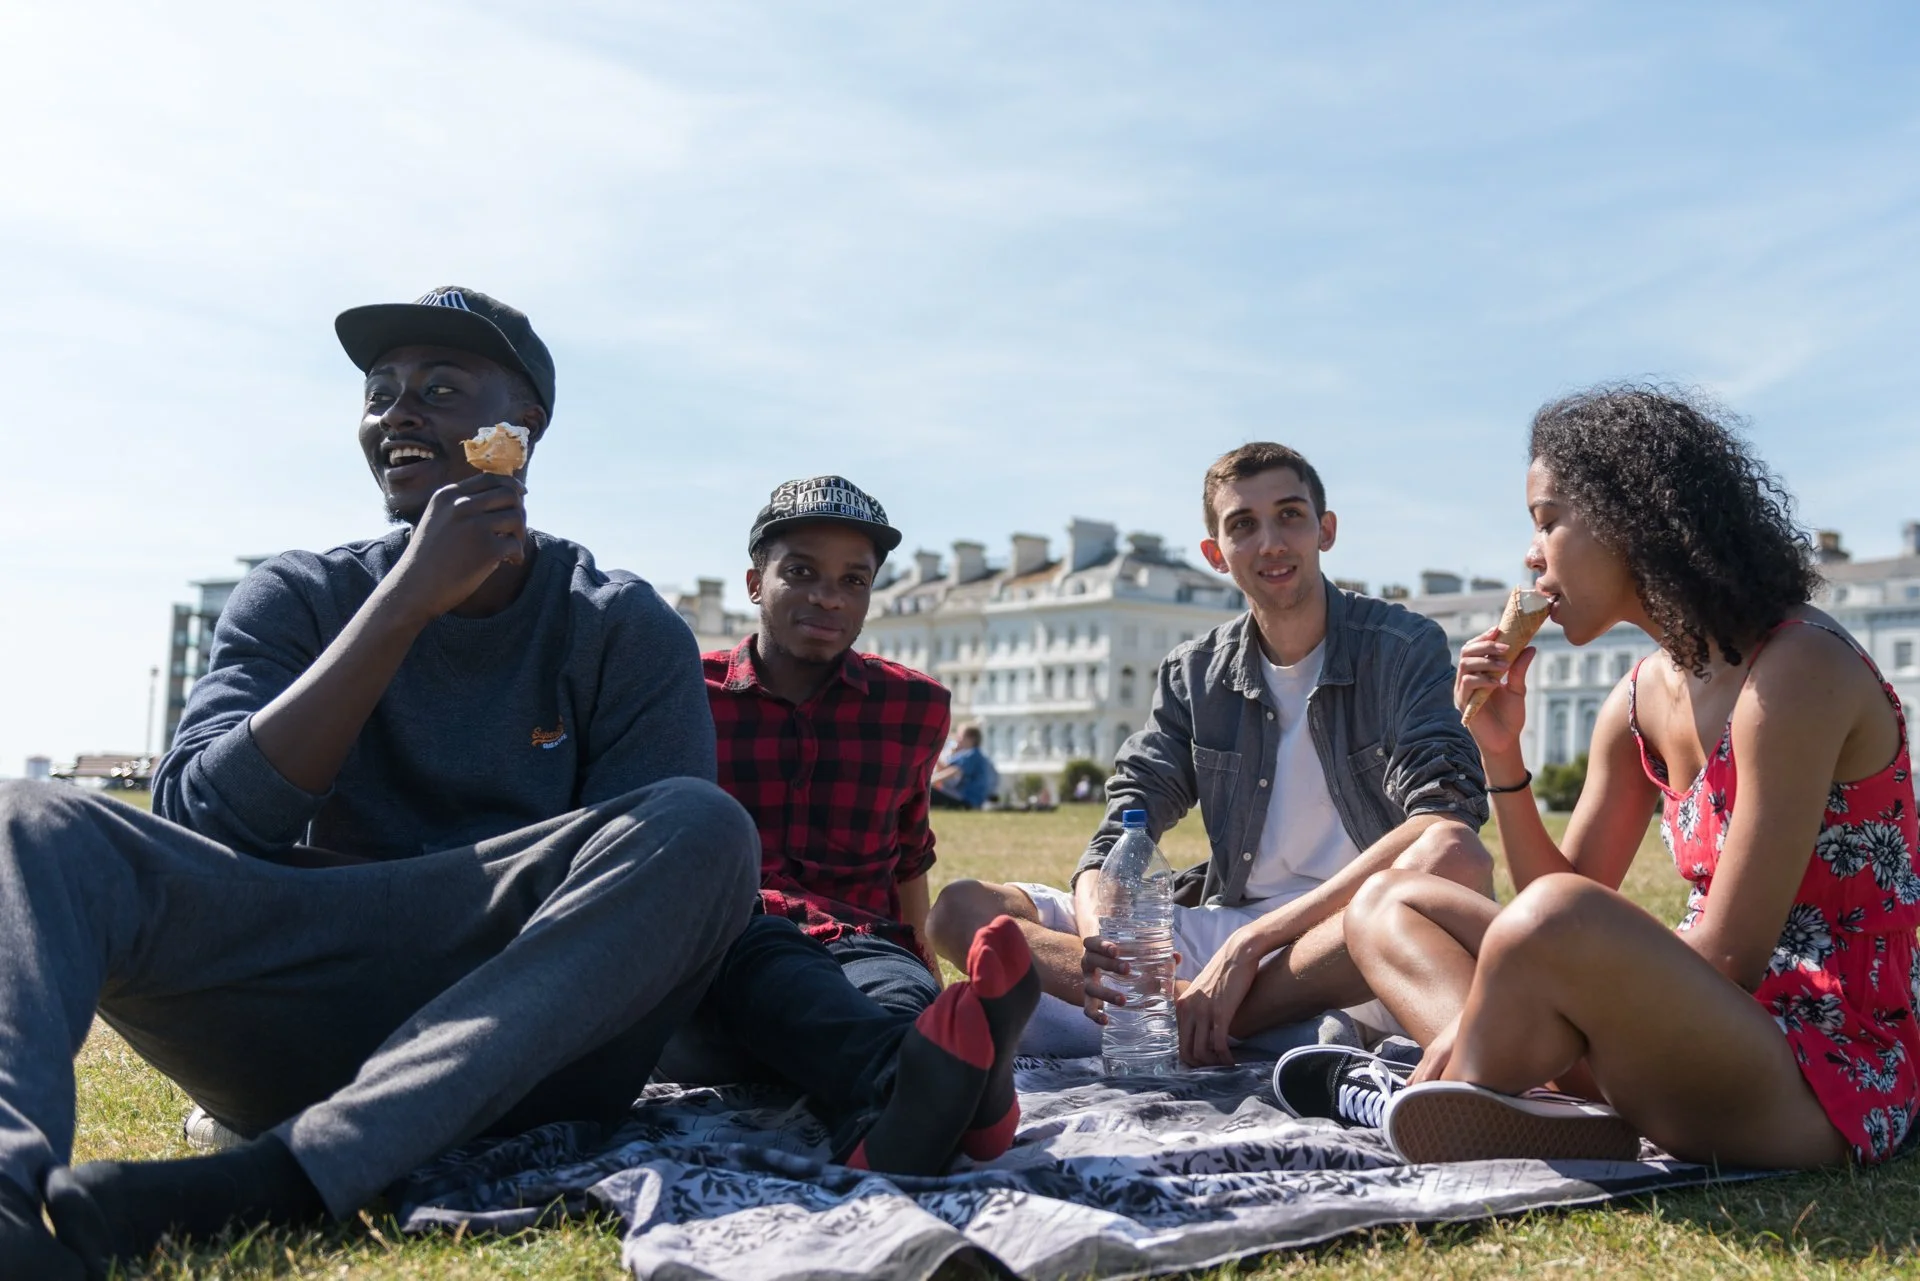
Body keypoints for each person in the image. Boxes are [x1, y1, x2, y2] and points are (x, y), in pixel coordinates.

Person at [0, 287, 761, 1278]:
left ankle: (285, 1180)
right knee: (30, 822)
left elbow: (656, 929)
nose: (398, 411)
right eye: (380, 393)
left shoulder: (620, 627)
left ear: (521, 428)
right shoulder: (300, 595)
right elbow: (205, 820)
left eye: (439, 390)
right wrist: (399, 607)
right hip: (297, 1000)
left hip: (520, 1040)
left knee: (704, 828)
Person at [1316, 386, 1919, 1168]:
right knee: (1386, 903)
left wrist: (1561, 987)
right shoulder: (1636, 698)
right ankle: (1526, 1104)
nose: (1532, 554)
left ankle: (1455, 1089)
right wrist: (1503, 753)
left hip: (1817, 1075)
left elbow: (1732, 954)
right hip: (1679, 1049)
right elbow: (1556, 892)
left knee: (1556, 919)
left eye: (1547, 520)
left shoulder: (1797, 667)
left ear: (1630, 514)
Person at [927, 442, 1493, 1063]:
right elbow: (1123, 825)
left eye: (1290, 516)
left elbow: (1441, 817)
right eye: (1243, 526)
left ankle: (1203, 1023)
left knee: (1452, 854)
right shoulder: (1193, 673)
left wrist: (1250, 947)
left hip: (1358, 935)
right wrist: (1101, 949)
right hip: (1221, 935)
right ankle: (1197, 1015)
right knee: (961, 909)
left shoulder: (1402, 644)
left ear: (1325, 530)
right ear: (1216, 555)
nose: (1271, 541)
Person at [679, 476, 1039, 1175]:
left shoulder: (915, 705)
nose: (829, 596)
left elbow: (909, 854)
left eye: (854, 579)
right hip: (729, 951)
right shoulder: (687, 695)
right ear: (756, 582)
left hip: (863, 941)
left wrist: (928, 973)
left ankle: (919, 1101)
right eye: (803, 572)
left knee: (899, 996)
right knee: (773, 965)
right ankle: (970, 1095)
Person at [931, 726, 998, 810]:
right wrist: (934, 754)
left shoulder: (972, 754)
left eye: (960, 736)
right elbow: (946, 769)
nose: (957, 739)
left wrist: (929, 781)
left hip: (967, 801)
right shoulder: (973, 754)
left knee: (928, 792)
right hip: (969, 800)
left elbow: (953, 772)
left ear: (971, 739)